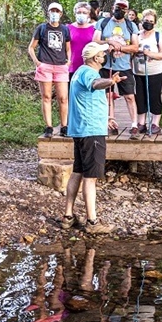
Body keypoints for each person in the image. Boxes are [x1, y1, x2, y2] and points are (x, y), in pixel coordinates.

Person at [62, 42, 122, 234]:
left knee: (77, 171)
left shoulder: (79, 71)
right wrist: (111, 81)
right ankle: (92, 222)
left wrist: (106, 117)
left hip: (81, 129)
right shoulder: (90, 73)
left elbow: (88, 99)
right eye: (102, 55)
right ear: (96, 58)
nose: (104, 57)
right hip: (91, 132)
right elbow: (96, 85)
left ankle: (68, 216)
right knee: (91, 177)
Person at [94, 0, 139, 135]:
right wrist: (110, 44)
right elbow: (95, 41)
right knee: (108, 95)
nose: (120, 10)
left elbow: (135, 47)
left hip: (124, 65)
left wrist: (121, 47)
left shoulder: (131, 26)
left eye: (123, 8)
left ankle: (134, 124)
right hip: (105, 65)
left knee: (129, 96)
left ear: (126, 10)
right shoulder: (103, 22)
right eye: (117, 7)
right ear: (113, 7)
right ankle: (111, 122)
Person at [29, 2, 72, 139]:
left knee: (63, 98)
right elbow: (31, 47)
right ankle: (49, 126)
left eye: (57, 11)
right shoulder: (41, 28)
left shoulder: (65, 29)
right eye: (52, 11)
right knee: (46, 97)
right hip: (45, 65)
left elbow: (68, 48)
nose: (54, 13)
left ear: (60, 14)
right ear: (48, 12)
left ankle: (64, 126)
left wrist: (68, 61)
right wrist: (37, 63)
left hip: (60, 66)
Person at [132, 9, 162, 137]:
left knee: (154, 97)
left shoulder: (158, 36)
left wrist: (149, 53)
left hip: (155, 72)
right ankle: (141, 123)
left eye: (151, 21)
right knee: (140, 97)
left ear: (155, 23)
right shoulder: (137, 34)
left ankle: (155, 124)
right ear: (142, 21)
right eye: (146, 20)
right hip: (138, 71)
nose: (148, 23)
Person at [67, 2, 97, 80]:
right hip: (72, 67)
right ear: (75, 14)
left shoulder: (94, 29)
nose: (81, 14)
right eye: (79, 12)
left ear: (89, 14)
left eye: (84, 13)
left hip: (89, 67)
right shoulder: (68, 28)